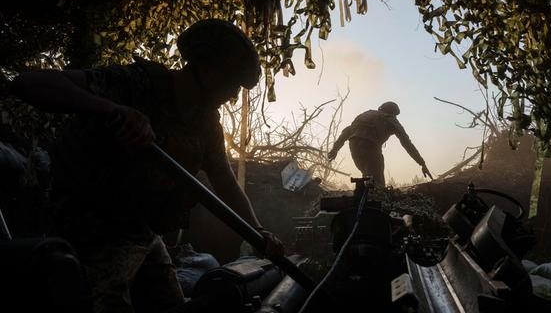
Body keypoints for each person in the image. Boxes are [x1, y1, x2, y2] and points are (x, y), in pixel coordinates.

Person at [10, 18, 283, 313]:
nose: (233, 95)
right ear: (204, 67)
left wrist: (257, 231)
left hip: (143, 234)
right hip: (92, 233)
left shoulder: (205, 121)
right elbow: (28, 83)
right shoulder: (138, 84)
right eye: (230, 81)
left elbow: (225, 181)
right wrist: (113, 110)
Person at [328, 102, 432, 187]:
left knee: (368, 178)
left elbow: (346, 132)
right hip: (370, 147)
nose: (395, 117)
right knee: (377, 183)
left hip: (354, 148)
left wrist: (335, 149)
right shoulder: (390, 118)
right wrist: (421, 163)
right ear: (393, 113)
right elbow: (406, 142)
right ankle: (374, 208)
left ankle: (363, 204)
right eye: (395, 115)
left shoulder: (364, 115)